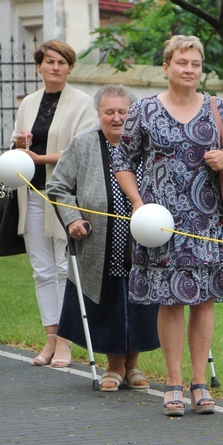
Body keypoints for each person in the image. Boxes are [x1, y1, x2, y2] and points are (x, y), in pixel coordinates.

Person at [113, 35, 223, 416]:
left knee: (204, 301)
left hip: (208, 223)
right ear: (166, 67)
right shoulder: (143, 110)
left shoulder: (218, 109)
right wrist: (139, 204)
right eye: (182, 63)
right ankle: (173, 384)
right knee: (170, 301)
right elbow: (122, 161)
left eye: (195, 63)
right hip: (160, 226)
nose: (189, 69)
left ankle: (199, 383)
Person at [47, 84, 160, 392]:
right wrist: (72, 219)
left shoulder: (147, 145)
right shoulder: (83, 144)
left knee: (140, 302)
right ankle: (114, 366)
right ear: (98, 114)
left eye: (122, 111)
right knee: (110, 302)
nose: (116, 118)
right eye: (109, 112)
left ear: (132, 114)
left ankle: (133, 365)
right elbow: (58, 187)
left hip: (143, 241)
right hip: (99, 242)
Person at [11, 40, 97, 368]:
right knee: (42, 270)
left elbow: (80, 152)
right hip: (31, 193)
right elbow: (16, 146)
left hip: (65, 197)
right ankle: (49, 338)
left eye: (62, 62)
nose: (55, 67)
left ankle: (65, 341)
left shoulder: (83, 103)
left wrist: (39, 157)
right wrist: (18, 145)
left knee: (65, 269)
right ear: (40, 66)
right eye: (49, 61)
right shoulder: (29, 102)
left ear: (70, 67)